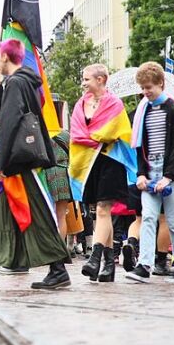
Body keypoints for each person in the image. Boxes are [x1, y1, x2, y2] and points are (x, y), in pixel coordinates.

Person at [0, 39, 71, 290]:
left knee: (37, 214)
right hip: (19, 160)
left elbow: (7, 123)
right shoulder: (20, 82)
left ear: (5, 57)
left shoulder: (18, 82)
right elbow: (3, 116)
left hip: (17, 162)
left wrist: (0, 162)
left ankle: (58, 268)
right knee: (1, 215)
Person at [125, 62, 174, 282]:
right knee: (147, 218)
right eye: (143, 88)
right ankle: (144, 265)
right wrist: (140, 174)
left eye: (150, 87)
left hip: (171, 176)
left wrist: (169, 176)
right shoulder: (142, 110)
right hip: (150, 175)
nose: (146, 92)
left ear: (161, 84)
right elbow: (138, 145)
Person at [69, 64, 135, 283]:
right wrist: (96, 137)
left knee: (103, 209)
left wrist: (96, 136)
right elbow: (77, 132)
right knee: (100, 213)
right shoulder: (80, 104)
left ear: (101, 79)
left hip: (110, 161)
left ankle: (95, 258)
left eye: (87, 78)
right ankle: (109, 266)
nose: (83, 82)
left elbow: (120, 132)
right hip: (89, 164)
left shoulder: (115, 104)